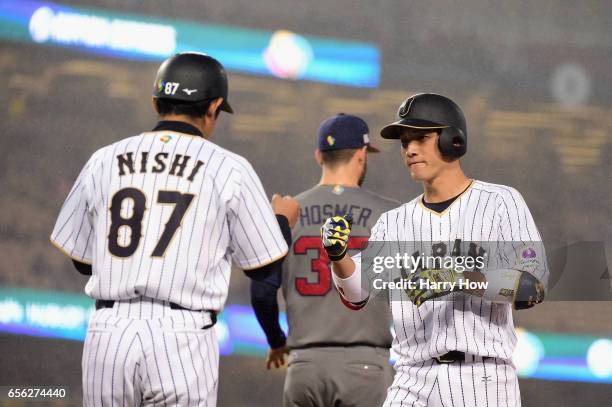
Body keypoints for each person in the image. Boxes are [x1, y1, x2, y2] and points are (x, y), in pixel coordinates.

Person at [50, 52, 299, 406]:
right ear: (213, 106)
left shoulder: (104, 159)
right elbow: (263, 266)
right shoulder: (229, 168)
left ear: (156, 102)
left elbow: (82, 261)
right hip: (181, 333)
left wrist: (134, 267)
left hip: (109, 330)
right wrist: (281, 222)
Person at [320, 93, 548, 407]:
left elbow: (531, 288)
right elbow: (356, 293)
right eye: (404, 142)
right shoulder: (394, 223)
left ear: (453, 140)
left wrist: (458, 277)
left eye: (421, 138)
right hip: (412, 379)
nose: (410, 149)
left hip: (482, 378)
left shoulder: (500, 202)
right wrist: (338, 256)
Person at [250, 113, 398, 407]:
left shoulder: (286, 213)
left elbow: (261, 290)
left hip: (305, 364)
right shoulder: (391, 215)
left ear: (319, 156)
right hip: (366, 365)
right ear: (361, 154)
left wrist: (277, 341)